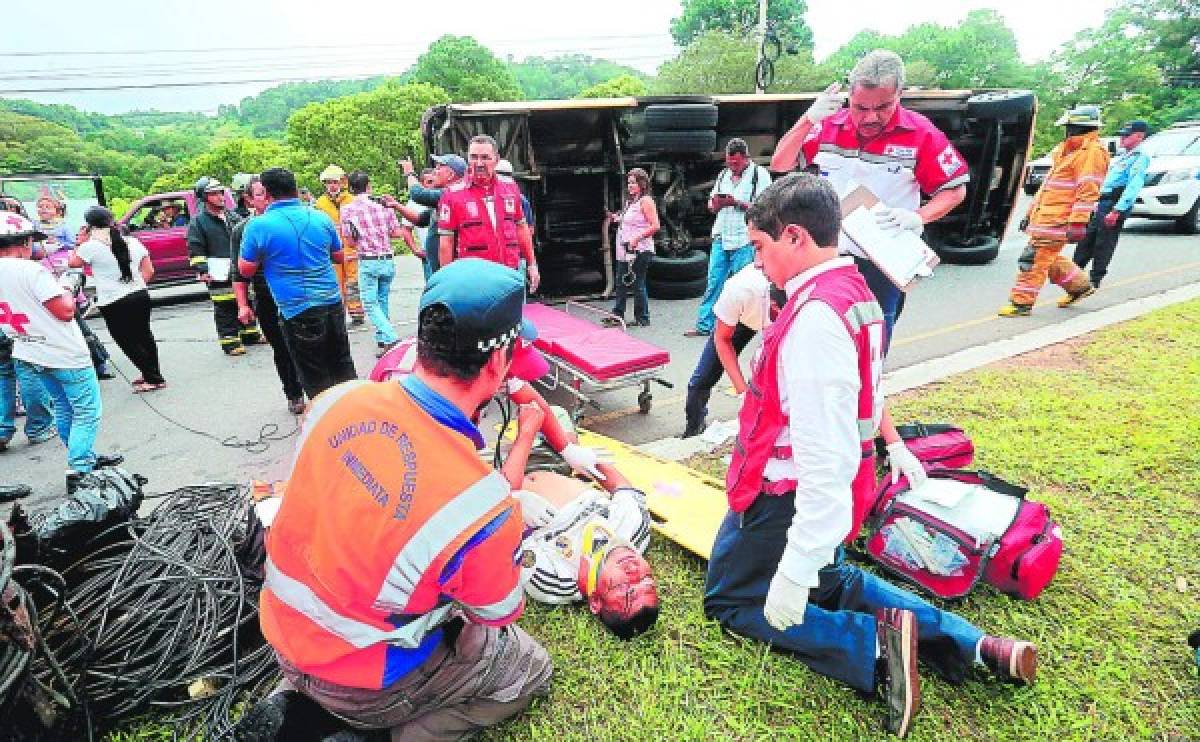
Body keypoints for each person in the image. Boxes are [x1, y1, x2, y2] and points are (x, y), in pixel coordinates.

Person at [703, 175, 1037, 738]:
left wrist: (795, 561)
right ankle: (977, 645)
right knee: (833, 579)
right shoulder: (858, 293)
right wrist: (894, 444)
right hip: (839, 485)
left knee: (733, 601)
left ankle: (876, 651)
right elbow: (868, 390)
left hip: (783, 491)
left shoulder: (813, 318)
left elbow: (821, 455)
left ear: (793, 236)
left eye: (760, 249)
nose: (757, 264)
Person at [256, 258, 552, 740]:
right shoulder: (480, 504)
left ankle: (301, 704)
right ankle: (387, 733)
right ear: (499, 362)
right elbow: (494, 613)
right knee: (528, 666)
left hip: (285, 638)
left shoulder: (336, 400)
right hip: (364, 679)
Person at [771, 50, 969, 351]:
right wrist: (807, 120)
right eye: (860, 107)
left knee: (870, 347)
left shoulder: (921, 133)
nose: (870, 117)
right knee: (815, 340)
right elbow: (780, 163)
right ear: (849, 94)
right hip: (828, 256)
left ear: (899, 95)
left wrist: (919, 216)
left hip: (881, 261)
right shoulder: (828, 126)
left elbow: (955, 190)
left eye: (883, 106)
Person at [0, 213, 121, 493]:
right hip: (63, 352)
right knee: (87, 411)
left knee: (64, 407)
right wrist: (68, 284)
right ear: (25, 242)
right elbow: (66, 311)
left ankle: (83, 457)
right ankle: (79, 467)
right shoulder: (31, 270)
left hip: (29, 349)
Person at [239, 167, 357, 399]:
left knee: (313, 373)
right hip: (332, 303)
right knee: (341, 362)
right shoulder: (320, 218)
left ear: (268, 193)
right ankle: (354, 414)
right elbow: (339, 256)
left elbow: (245, 269)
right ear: (295, 189)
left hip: (296, 309)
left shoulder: (258, 226)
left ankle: (325, 424)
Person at [516, 469, 659, 639]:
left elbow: (510, 534)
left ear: (595, 602)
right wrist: (580, 456)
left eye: (624, 587)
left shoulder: (556, 580)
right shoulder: (635, 529)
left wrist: (513, 500)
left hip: (499, 481)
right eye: (646, 579)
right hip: (558, 461)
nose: (634, 570)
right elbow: (619, 486)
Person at [999, 105, 1107, 316]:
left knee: (1033, 260)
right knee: (1047, 258)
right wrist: (1030, 214)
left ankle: (1021, 303)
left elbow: (1088, 190)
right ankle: (1080, 286)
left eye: (1070, 127)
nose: (1067, 131)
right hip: (1046, 219)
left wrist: (1078, 222)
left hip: (1058, 220)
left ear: (1080, 127)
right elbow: (1047, 189)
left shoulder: (1091, 153)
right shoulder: (1068, 152)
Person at [70, 207, 166, 393]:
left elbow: (73, 263)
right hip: (139, 294)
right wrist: (132, 286)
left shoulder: (90, 246)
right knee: (144, 336)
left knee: (125, 339)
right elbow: (149, 271)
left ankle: (153, 378)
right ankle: (151, 373)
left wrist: (80, 242)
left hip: (114, 300)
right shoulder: (132, 241)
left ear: (90, 226)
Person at [232, 176, 306, 416]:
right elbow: (239, 273)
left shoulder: (293, 219)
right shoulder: (243, 230)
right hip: (267, 297)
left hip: (299, 292)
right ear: (249, 200)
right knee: (282, 348)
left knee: (307, 344)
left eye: (268, 192)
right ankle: (294, 393)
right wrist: (243, 305)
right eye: (261, 194)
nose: (268, 198)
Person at [687, 138, 772, 338]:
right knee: (714, 282)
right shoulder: (723, 175)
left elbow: (766, 208)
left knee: (744, 286)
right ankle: (704, 325)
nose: (732, 167)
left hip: (744, 239)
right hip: (722, 235)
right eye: (729, 163)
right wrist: (716, 204)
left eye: (736, 163)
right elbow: (710, 204)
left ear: (746, 158)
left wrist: (737, 203)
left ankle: (742, 329)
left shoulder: (760, 176)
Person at [682, 263, 775, 438]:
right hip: (739, 319)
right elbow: (722, 339)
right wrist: (742, 390)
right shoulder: (739, 289)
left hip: (771, 326)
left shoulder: (799, 287)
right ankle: (693, 429)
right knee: (701, 379)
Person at [437, 136, 540, 292]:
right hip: (474, 278)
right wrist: (448, 280)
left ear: (496, 159)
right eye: (473, 157)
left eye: (485, 158)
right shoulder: (452, 194)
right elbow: (446, 242)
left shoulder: (510, 187)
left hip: (510, 272)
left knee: (514, 316)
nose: (479, 163)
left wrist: (532, 264)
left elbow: (521, 228)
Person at [1071, 120, 1152, 291]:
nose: (1122, 138)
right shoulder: (1122, 155)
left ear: (1139, 137)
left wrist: (1117, 210)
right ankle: (1074, 273)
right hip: (1102, 202)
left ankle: (1095, 279)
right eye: (1122, 134)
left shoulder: (1140, 157)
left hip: (1114, 204)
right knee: (1087, 239)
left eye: (1126, 135)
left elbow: (1133, 185)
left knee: (1104, 242)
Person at [187, 176, 263, 355]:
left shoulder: (233, 216)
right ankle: (230, 342)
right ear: (204, 198)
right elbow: (195, 248)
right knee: (225, 307)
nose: (220, 197)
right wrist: (202, 269)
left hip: (238, 268)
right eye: (214, 194)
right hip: (217, 272)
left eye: (221, 192)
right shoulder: (198, 223)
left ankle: (250, 334)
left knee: (246, 301)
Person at [339, 170, 404, 357]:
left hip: (368, 261)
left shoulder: (348, 210)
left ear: (350, 189)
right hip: (387, 258)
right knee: (382, 300)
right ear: (369, 186)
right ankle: (383, 341)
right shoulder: (383, 206)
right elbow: (395, 232)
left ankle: (390, 337)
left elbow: (350, 241)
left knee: (369, 303)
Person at [599, 168, 659, 328]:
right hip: (625, 249)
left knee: (637, 282)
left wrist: (637, 239)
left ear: (642, 184)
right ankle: (618, 314)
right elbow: (629, 220)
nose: (630, 186)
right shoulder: (631, 202)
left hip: (640, 249)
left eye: (633, 182)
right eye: (629, 182)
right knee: (620, 282)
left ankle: (643, 317)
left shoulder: (646, 201)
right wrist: (615, 218)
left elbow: (655, 225)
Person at [313, 164, 366, 331]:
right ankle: (339, 314)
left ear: (342, 182)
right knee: (336, 283)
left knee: (353, 281)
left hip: (351, 248)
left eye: (335, 182)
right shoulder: (320, 203)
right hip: (332, 249)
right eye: (329, 183)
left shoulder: (351, 200)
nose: (332, 186)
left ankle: (357, 312)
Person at [397, 154, 466, 277]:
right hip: (436, 266)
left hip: (447, 269)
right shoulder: (443, 197)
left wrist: (409, 173)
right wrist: (396, 205)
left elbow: (418, 194)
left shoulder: (450, 194)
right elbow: (421, 220)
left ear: (451, 175)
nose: (435, 171)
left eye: (439, 167)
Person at [0, 333, 56, 452]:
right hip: (14, 323)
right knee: (29, 368)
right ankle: (39, 426)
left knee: (3, 374)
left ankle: (2, 430)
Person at [397, 168, 435, 278]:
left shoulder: (442, 196)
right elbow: (406, 228)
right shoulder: (413, 204)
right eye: (429, 182)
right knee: (432, 286)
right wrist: (415, 249)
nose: (432, 185)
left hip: (447, 249)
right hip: (427, 252)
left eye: (434, 181)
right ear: (421, 184)